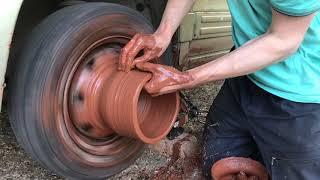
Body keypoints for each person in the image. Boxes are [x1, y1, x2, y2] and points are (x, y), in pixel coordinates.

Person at [119, 0, 320, 179]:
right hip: (244, 75)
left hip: (300, 91)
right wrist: (163, 33)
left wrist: (189, 78)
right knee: (216, 162)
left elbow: (282, 41)